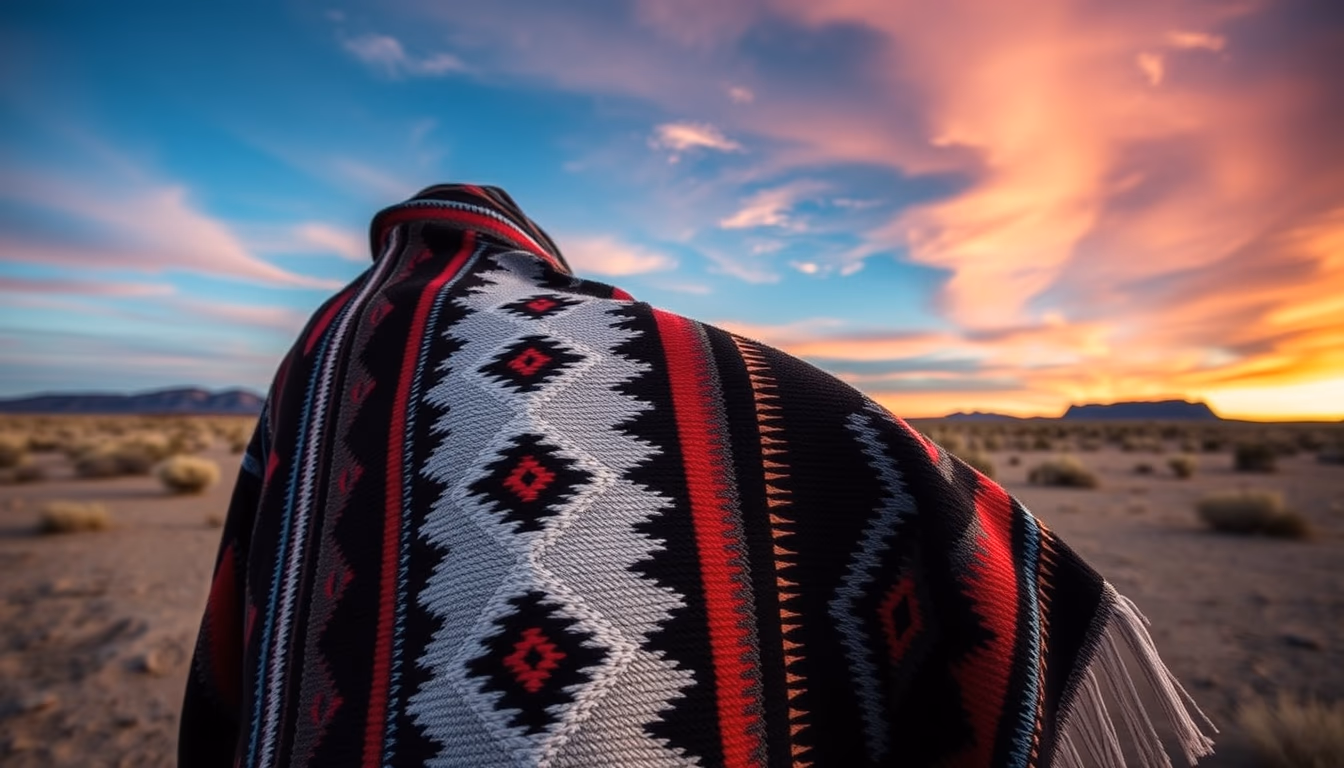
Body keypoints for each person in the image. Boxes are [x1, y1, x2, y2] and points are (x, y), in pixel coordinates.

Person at [179, 184, 1214, 767]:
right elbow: (745, 400)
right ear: (531, 251)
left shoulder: (333, 344)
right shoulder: (621, 332)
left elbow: (256, 567)